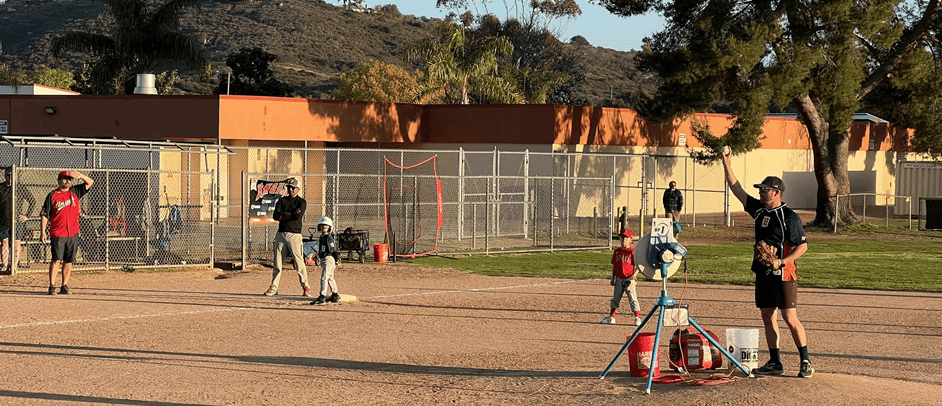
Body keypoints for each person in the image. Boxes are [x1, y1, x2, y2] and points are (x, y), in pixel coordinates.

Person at [721, 148, 814, 378]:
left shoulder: (789, 217)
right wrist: (726, 164)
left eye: (764, 190)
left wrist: (782, 262)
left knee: (789, 318)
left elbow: (803, 246)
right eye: (761, 190)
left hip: (783, 274)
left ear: (776, 192)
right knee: (767, 316)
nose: (761, 193)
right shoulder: (760, 211)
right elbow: (737, 189)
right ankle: (775, 361)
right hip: (762, 273)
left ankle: (805, 361)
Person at [40, 170, 94, 295]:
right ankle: (52, 285)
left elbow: (90, 182)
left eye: (70, 179)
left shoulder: (75, 192)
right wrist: (43, 231)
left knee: (68, 260)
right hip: (58, 232)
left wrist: (80, 176)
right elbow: (45, 214)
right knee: (56, 259)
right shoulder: (52, 195)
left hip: (73, 233)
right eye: (65, 179)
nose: (68, 181)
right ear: (59, 180)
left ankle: (64, 285)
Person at [264, 178, 312, 297]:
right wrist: (288, 215)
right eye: (289, 187)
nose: (290, 189)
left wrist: (285, 215)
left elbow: (298, 216)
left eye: (293, 188)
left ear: (298, 189)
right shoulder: (282, 200)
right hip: (281, 234)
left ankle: (306, 287)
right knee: (277, 262)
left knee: (298, 261)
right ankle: (274, 287)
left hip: (294, 235)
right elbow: (276, 216)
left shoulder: (301, 202)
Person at [601, 228, 641, 326]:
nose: (624, 239)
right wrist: (613, 278)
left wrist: (634, 276)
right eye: (622, 237)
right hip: (619, 279)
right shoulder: (617, 251)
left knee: (633, 298)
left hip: (628, 279)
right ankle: (612, 317)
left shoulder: (632, 252)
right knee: (615, 298)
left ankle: (637, 318)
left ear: (631, 239)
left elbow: (638, 266)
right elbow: (614, 265)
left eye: (626, 237)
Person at [0, 167, 37, 273]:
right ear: (5, 176)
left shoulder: (20, 187)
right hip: (3, 221)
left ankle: (14, 265)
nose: (10, 177)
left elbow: (32, 201)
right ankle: (5, 265)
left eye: (12, 175)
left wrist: (27, 215)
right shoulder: (1, 187)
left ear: (16, 176)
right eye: (8, 175)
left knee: (16, 243)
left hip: (17, 221)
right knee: (4, 242)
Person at [310, 216, 341, 306]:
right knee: (330, 278)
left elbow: (333, 249)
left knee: (324, 278)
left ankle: (322, 297)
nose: (323, 227)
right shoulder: (322, 237)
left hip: (329, 259)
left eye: (326, 226)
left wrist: (336, 258)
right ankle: (335, 295)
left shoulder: (329, 238)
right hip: (324, 259)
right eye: (322, 225)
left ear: (329, 227)